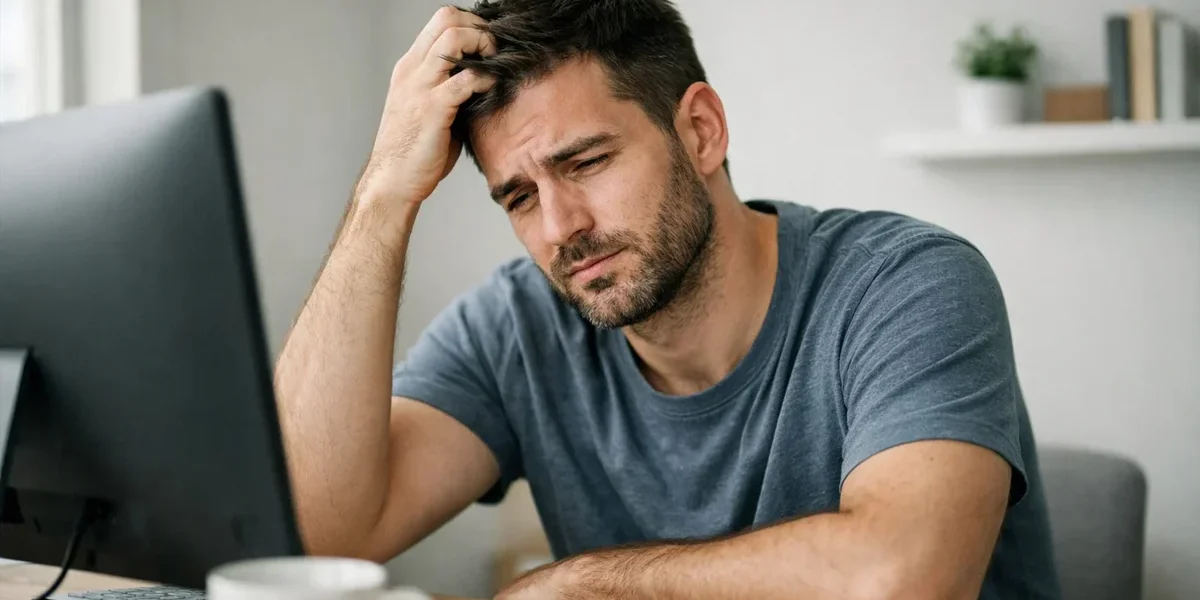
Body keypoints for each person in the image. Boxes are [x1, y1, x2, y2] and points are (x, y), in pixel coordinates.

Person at [273, 1, 1061, 598]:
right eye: (519, 197)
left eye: (586, 162)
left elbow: (903, 579)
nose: (561, 228)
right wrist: (383, 196)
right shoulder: (516, 326)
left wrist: (581, 585)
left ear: (702, 131)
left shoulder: (907, 284)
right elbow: (311, 539)